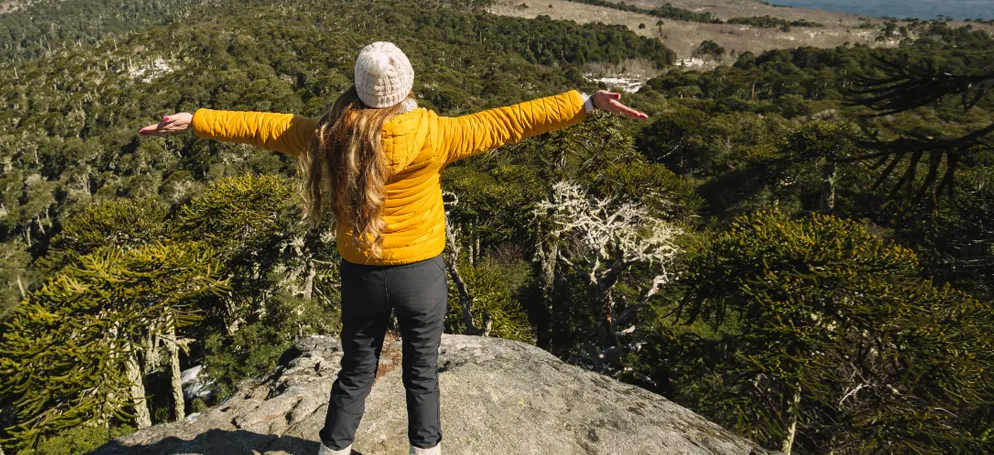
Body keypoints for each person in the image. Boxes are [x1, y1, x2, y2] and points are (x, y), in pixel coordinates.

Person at [140, 41, 648, 455]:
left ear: (359, 88)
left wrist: (199, 119)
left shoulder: (327, 135)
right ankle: (425, 450)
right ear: (405, 85)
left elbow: (264, 126)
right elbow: (509, 120)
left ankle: (334, 449)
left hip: (362, 273)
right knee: (421, 371)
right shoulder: (434, 134)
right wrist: (583, 103)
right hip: (421, 274)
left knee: (357, 367)